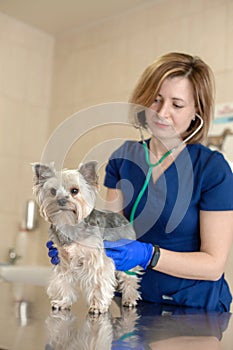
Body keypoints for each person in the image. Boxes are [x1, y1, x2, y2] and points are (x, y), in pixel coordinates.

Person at [47, 52, 233, 312]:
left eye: (177, 105)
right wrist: (73, 240)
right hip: (128, 304)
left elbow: (213, 266)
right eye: (155, 100)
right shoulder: (123, 157)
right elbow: (108, 232)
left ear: (196, 111)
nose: (161, 112)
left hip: (192, 310)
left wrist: (148, 255)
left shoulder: (212, 169)